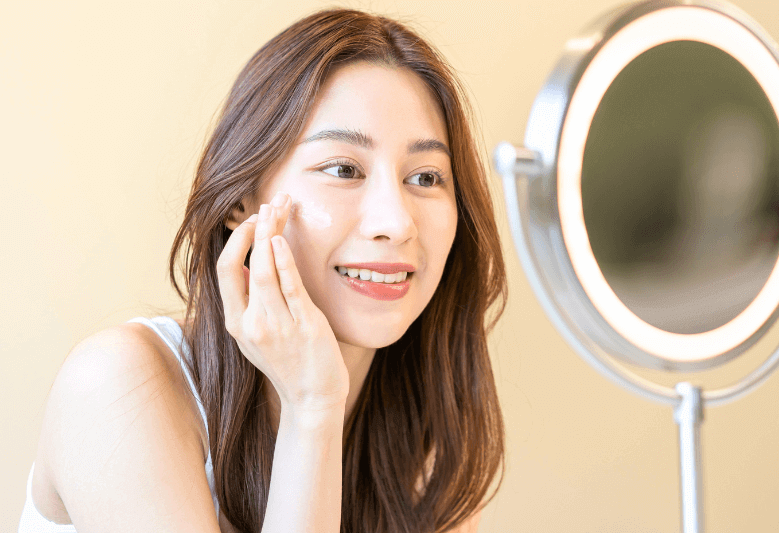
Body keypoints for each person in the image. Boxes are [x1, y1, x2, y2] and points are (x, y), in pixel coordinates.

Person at [19, 8, 507, 533]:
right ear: (241, 201)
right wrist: (312, 408)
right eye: (343, 169)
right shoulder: (117, 386)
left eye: (427, 176)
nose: (395, 221)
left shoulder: (425, 442)